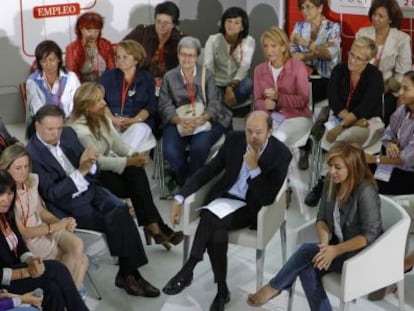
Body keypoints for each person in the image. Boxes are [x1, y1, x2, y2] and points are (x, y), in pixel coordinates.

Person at [162, 111, 292, 311]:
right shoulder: (234, 140)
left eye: (258, 132)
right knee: (216, 230)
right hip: (224, 197)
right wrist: (180, 197)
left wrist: (255, 169)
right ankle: (222, 291)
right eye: (249, 131)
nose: (253, 137)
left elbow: (268, 197)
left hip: (250, 206)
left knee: (211, 216)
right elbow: (209, 170)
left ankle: (189, 268)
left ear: (269, 132)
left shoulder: (281, 154)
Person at [26, 105, 159, 297]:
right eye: (50, 129)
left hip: (91, 188)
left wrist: (91, 163)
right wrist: (81, 171)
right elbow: (53, 193)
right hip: (68, 204)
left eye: (59, 128)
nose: (56, 134)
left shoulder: (69, 134)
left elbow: (90, 167)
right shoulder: (32, 154)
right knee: (118, 218)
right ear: (37, 126)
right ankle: (130, 274)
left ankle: (128, 273)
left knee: (120, 209)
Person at [247, 141, 382, 311]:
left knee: (304, 252)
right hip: (337, 247)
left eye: (337, 167)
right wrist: (325, 246)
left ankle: (274, 287)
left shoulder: (366, 191)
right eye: (330, 165)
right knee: (307, 269)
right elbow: (322, 218)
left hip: (362, 254)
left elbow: (370, 235)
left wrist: (335, 250)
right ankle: (276, 288)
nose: (331, 171)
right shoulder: (330, 183)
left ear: (353, 167)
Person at [68, 82, 183, 249]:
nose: (104, 103)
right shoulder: (79, 130)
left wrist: (133, 155)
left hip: (108, 169)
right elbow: (97, 161)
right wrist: (128, 161)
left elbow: (117, 144)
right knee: (137, 184)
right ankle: (156, 227)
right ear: (87, 107)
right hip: (92, 176)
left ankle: (154, 227)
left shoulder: (101, 118)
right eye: (99, 100)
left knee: (136, 173)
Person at [305, 36, 384, 207]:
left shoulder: (375, 76)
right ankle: (337, 185)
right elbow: (333, 100)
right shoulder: (339, 70)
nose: (353, 60)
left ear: (368, 60)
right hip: (346, 119)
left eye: (358, 58)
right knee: (327, 139)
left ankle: (323, 183)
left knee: (340, 141)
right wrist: (349, 122)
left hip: (369, 123)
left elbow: (365, 108)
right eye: (352, 54)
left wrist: (341, 126)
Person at [0, 144, 88, 292]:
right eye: (18, 168)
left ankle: (66, 297)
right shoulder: (6, 196)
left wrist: (61, 222)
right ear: (6, 168)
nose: (23, 172)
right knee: (82, 260)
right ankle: (65, 295)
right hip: (32, 237)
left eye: (26, 166)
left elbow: (40, 210)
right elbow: (23, 232)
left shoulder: (32, 181)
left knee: (78, 245)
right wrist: (55, 227)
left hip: (45, 227)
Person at [158, 36, 232, 186]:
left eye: (191, 55)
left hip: (205, 119)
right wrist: (178, 120)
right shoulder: (169, 77)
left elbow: (214, 102)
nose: (186, 59)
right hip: (179, 118)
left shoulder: (207, 75)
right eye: (183, 54)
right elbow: (165, 104)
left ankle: (190, 186)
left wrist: (202, 119)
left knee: (199, 148)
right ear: (178, 55)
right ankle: (185, 179)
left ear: (197, 56)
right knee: (170, 151)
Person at [254, 27, 311, 169]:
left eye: (273, 46)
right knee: (253, 143)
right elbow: (257, 101)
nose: (269, 51)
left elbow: (303, 100)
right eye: (266, 46)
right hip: (270, 118)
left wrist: (280, 99)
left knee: (274, 141)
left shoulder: (298, 67)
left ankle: (275, 180)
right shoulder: (259, 70)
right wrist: (265, 105)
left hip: (296, 117)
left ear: (283, 47)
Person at [356, 0, 411, 126]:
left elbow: (403, 73)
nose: (376, 18)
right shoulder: (362, 33)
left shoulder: (402, 39)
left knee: (378, 117)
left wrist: (384, 88)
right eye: (374, 14)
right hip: (362, 85)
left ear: (390, 19)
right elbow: (355, 62)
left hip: (387, 89)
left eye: (381, 16)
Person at [100, 40, 157, 153]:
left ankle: (117, 157)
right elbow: (100, 101)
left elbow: (151, 106)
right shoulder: (107, 77)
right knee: (104, 128)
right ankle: (121, 159)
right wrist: (113, 119)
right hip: (112, 121)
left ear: (136, 59)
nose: (120, 60)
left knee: (141, 130)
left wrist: (134, 120)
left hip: (137, 122)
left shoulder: (147, 78)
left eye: (125, 57)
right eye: (118, 57)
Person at [365, 70, 414, 195]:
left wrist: (375, 159)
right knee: (354, 167)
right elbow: (389, 132)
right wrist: (391, 144)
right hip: (392, 162)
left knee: (364, 182)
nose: (400, 92)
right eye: (401, 87)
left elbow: (406, 159)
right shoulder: (404, 109)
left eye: (406, 89)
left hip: (408, 174)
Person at [124, 1, 185, 95]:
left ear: (174, 24)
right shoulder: (141, 33)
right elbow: (121, 52)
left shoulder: (182, 40)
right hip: (140, 84)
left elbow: (186, 69)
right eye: (158, 21)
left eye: (166, 23)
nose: (161, 26)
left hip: (170, 88)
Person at [204, 7, 255, 115]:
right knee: (212, 92)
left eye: (236, 23)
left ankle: (224, 107)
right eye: (229, 21)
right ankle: (229, 108)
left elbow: (244, 67)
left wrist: (230, 87)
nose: (232, 25)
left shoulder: (249, 41)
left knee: (248, 84)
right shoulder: (213, 40)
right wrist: (213, 86)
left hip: (236, 84)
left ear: (242, 27)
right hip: (217, 83)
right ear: (223, 23)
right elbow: (208, 66)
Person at [26, 40, 80, 138]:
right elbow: (38, 111)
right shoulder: (32, 81)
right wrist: (55, 125)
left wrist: (67, 123)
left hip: (70, 122)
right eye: (44, 61)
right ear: (39, 62)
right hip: (46, 124)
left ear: (59, 59)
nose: (48, 64)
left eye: (52, 59)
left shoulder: (71, 77)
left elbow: (78, 104)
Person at [289, 0, 341, 103]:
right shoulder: (299, 26)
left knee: (301, 92)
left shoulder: (333, 27)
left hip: (325, 77)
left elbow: (329, 54)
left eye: (308, 7)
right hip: (302, 75)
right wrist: (318, 51)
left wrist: (306, 45)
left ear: (320, 8)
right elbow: (293, 53)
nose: (304, 11)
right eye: (302, 7)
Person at [65, 12, 115, 82]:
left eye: (96, 31)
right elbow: (73, 76)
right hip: (83, 89)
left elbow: (112, 71)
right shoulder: (72, 49)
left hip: (105, 86)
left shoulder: (106, 45)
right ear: (81, 29)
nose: (93, 35)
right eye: (89, 31)